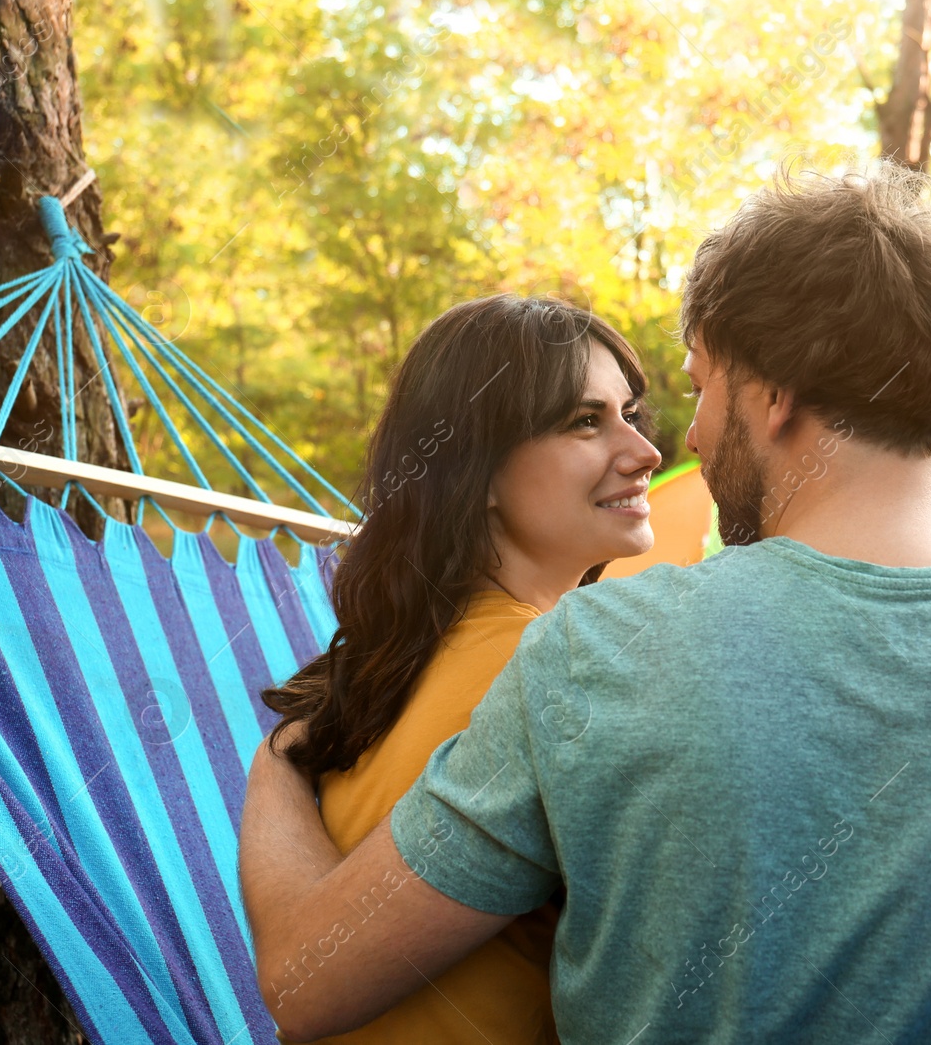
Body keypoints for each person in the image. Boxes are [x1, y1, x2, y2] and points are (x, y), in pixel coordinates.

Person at [241, 163, 931, 1044]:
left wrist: (282, 768)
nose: (688, 440)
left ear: (772, 395)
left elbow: (305, 982)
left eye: (699, 387)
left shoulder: (603, 655)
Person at [255, 294, 661, 1044]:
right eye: (585, 420)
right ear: (476, 473)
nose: (645, 452)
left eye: (632, 414)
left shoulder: (390, 667)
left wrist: (275, 764)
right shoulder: (552, 671)